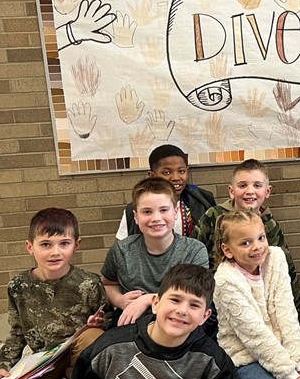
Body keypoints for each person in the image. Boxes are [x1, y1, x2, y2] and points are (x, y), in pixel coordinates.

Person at [0, 208, 106, 379]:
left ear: (77, 245)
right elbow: (17, 332)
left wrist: (99, 323)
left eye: (64, 243)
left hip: (81, 354)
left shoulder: (89, 283)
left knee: (94, 337)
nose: (55, 252)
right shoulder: (18, 286)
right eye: (46, 244)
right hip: (45, 360)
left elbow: (109, 322)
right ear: (30, 247)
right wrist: (2, 364)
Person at [73, 264, 238, 379]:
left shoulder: (213, 361)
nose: (182, 310)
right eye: (175, 300)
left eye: (194, 305)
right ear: (156, 304)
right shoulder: (109, 349)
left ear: (205, 316)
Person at [195, 159, 300, 327]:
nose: (250, 191)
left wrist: (298, 317)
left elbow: (286, 269)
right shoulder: (214, 216)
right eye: (242, 185)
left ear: (267, 191)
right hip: (220, 293)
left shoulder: (269, 224)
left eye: (257, 185)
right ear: (231, 191)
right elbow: (195, 253)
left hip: (258, 294)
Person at [212, 211, 300, 379]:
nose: (257, 247)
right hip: (245, 356)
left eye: (261, 238)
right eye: (245, 243)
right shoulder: (225, 280)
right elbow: (254, 334)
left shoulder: (275, 258)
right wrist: (290, 374)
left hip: (281, 349)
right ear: (228, 250)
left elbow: (286, 312)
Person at [102, 178, 209, 328]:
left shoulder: (194, 250)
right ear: (136, 217)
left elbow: (194, 295)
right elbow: (108, 283)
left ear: (176, 212)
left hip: (180, 323)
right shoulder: (121, 251)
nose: (156, 218)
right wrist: (119, 300)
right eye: (147, 212)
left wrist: (147, 299)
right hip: (132, 323)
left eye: (164, 210)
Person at [116, 144, 215, 239]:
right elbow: (121, 248)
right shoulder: (136, 208)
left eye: (181, 171)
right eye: (167, 172)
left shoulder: (203, 201)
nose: (176, 178)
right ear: (152, 176)